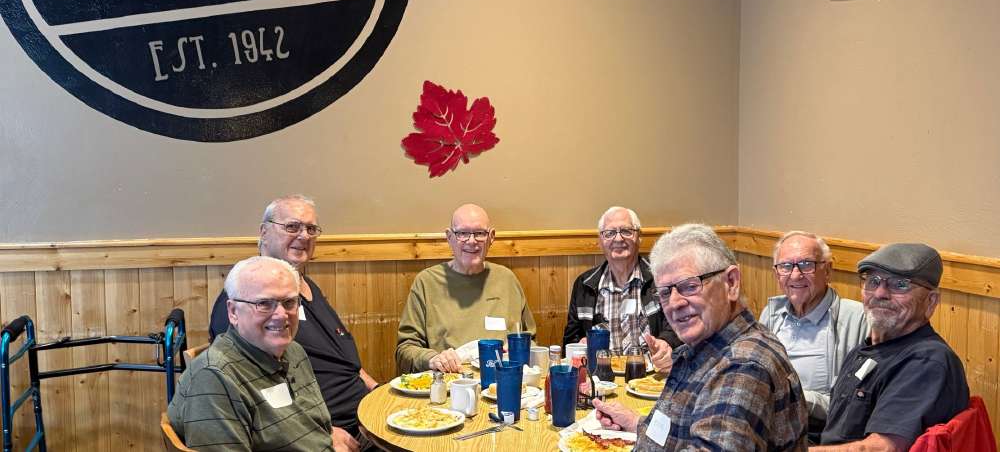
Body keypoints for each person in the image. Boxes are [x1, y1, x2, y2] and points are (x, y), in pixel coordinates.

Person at [592, 223, 807, 451]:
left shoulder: (742, 367)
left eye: (689, 286)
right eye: (665, 292)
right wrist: (637, 424)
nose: (675, 303)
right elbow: (680, 431)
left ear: (731, 282)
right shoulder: (706, 348)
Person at [207, 195, 375, 452]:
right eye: (292, 227)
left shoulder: (309, 289)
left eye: (311, 229)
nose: (304, 236)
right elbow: (254, 388)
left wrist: (378, 390)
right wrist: (320, 433)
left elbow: (345, 361)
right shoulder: (243, 302)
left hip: (366, 418)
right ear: (264, 232)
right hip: (325, 434)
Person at [169, 256, 334, 451]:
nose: (282, 315)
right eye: (264, 303)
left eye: (289, 302)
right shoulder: (214, 377)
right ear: (233, 312)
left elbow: (318, 428)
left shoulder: (294, 351)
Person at [815, 243, 969, 451]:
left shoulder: (925, 362)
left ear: (930, 302)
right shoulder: (869, 348)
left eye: (900, 285)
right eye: (873, 281)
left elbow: (882, 448)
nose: (880, 293)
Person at [395, 203, 536, 373]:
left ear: (491, 237)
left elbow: (531, 341)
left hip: (503, 383)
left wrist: (518, 350)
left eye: (479, 233)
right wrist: (433, 359)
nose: (471, 241)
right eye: (462, 233)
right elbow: (405, 349)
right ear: (449, 237)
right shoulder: (426, 282)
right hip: (449, 384)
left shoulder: (507, 280)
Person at [758, 231, 868, 439]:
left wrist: (789, 396)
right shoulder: (771, 314)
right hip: (767, 425)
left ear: (827, 270)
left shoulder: (857, 319)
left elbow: (850, 405)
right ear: (776, 274)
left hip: (815, 435)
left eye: (807, 264)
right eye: (786, 266)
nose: (796, 275)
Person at [562, 207, 680, 373]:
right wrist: (579, 346)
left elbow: (678, 327)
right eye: (609, 233)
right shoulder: (584, 285)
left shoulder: (662, 279)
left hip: (651, 376)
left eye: (626, 231)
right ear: (600, 240)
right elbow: (570, 341)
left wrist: (666, 344)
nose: (618, 238)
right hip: (600, 378)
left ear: (639, 237)